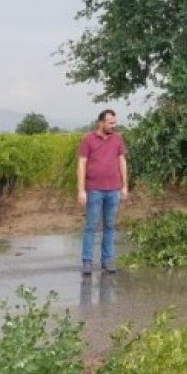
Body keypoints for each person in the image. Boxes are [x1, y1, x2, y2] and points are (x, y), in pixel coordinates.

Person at [78, 108, 128, 275]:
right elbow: (82, 164)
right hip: (94, 190)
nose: (113, 125)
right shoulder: (88, 139)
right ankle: (87, 261)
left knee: (110, 226)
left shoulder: (117, 139)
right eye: (110, 122)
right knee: (91, 226)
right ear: (101, 123)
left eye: (114, 122)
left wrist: (124, 186)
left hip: (113, 189)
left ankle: (107, 260)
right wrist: (81, 190)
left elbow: (122, 162)